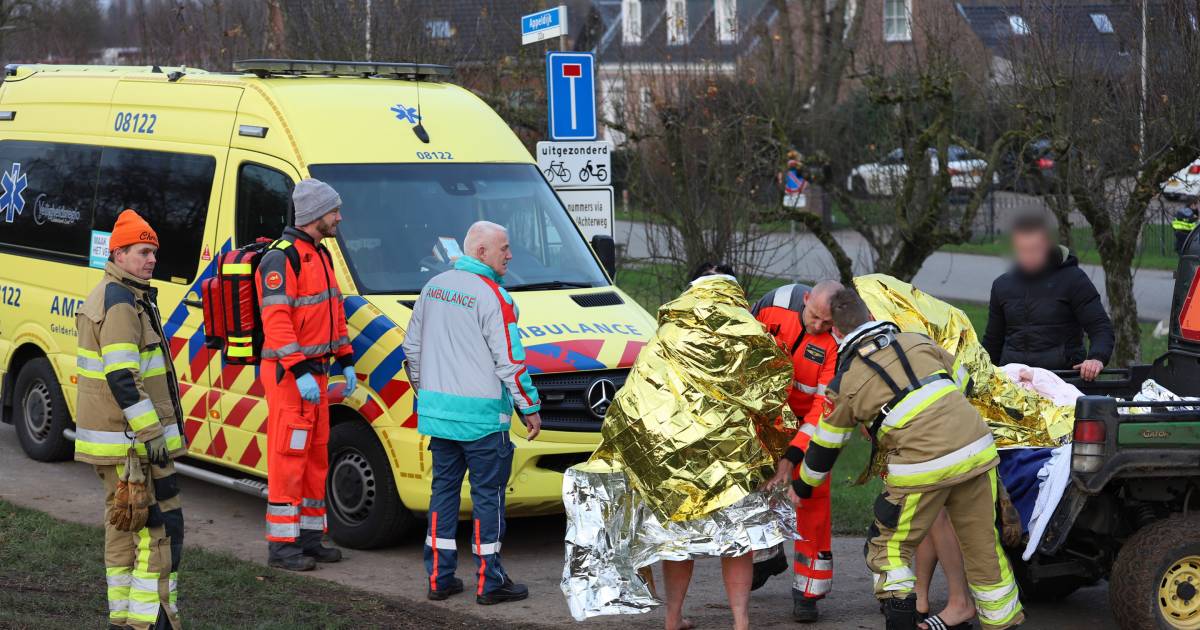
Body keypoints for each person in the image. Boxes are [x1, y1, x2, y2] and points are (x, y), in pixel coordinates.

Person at [793, 288, 1024, 630]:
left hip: (923, 465)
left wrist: (803, 485)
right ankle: (1004, 622)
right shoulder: (917, 341)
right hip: (977, 449)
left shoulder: (847, 382)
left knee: (887, 549)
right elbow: (965, 382)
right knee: (983, 548)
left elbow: (825, 446)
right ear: (871, 317)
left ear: (837, 333)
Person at [402, 221, 542, 605]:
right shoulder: (493, 296)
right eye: (504, 248)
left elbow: (411, 351)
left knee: (443, 494)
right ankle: (488, 582)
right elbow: (510, 361)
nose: (510, 255)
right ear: (481, 252)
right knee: (488, 498)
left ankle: (438, 578)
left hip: (440, 419)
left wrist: (427, 394)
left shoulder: (433, 288)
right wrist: (528, 407)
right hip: (483, 423)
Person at [75, 209, 186, 630]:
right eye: (142, 251)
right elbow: (123, 376)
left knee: (124, 531)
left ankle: (123, 620)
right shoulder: (122, 301)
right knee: (158, 532)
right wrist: (152, 434)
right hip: (135, 446)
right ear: (118, 253)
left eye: (153, 251)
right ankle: (153, 623)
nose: (151, 259)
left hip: (118, 443)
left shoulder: (118, 294)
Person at [257, 178, 355, 571]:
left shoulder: (320, 255)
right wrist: (298, 370)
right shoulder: (281, 258)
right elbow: (277, 321)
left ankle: (311, 539)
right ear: (316, 214)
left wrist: (345, 359)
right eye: (334, 211)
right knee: (287, 460)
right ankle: (282, 547)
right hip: (290, 378)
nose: (339, 217)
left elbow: (333, 312)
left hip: (316, 377)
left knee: (315, 459)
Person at [660, 262, 756, 630]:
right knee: (737, 538)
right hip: (737, 452)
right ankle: (740, 621)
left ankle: (672, 619)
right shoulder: (748, 328)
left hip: (681, 451)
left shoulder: (671, 330)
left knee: (679, 538)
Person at [752, 280, 842, 623]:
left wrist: (793, 456)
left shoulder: (836, 342)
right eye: (815, 316)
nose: (818, 326)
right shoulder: (771, 305)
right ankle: (764, 557)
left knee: (811, 500)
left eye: (826, 323)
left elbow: (823, 407)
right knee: (753, 492)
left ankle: (808, 592)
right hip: (763, 418)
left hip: (809, 426)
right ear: (805, 300)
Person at [982, 212, 1114, 381]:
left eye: (1034, 249)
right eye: (1022, 250)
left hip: (1062, 380)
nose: (1028, 256)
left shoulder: (1073, 279)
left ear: (1047, 245)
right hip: (1014, 384)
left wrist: (1096, 358)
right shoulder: (1002, 285)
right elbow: (993, 341)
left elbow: (1100, 327)